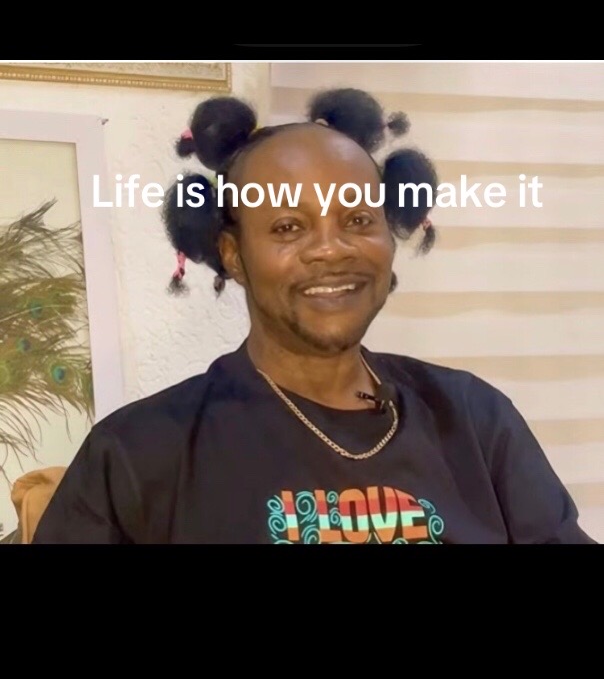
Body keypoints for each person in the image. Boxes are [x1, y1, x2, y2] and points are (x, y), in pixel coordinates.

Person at [34, 89, 594, 544]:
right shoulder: (139, 456)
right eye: (288, 227)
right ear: (233, 254)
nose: (331, 249)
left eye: (358, 220)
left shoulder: (474, 420)